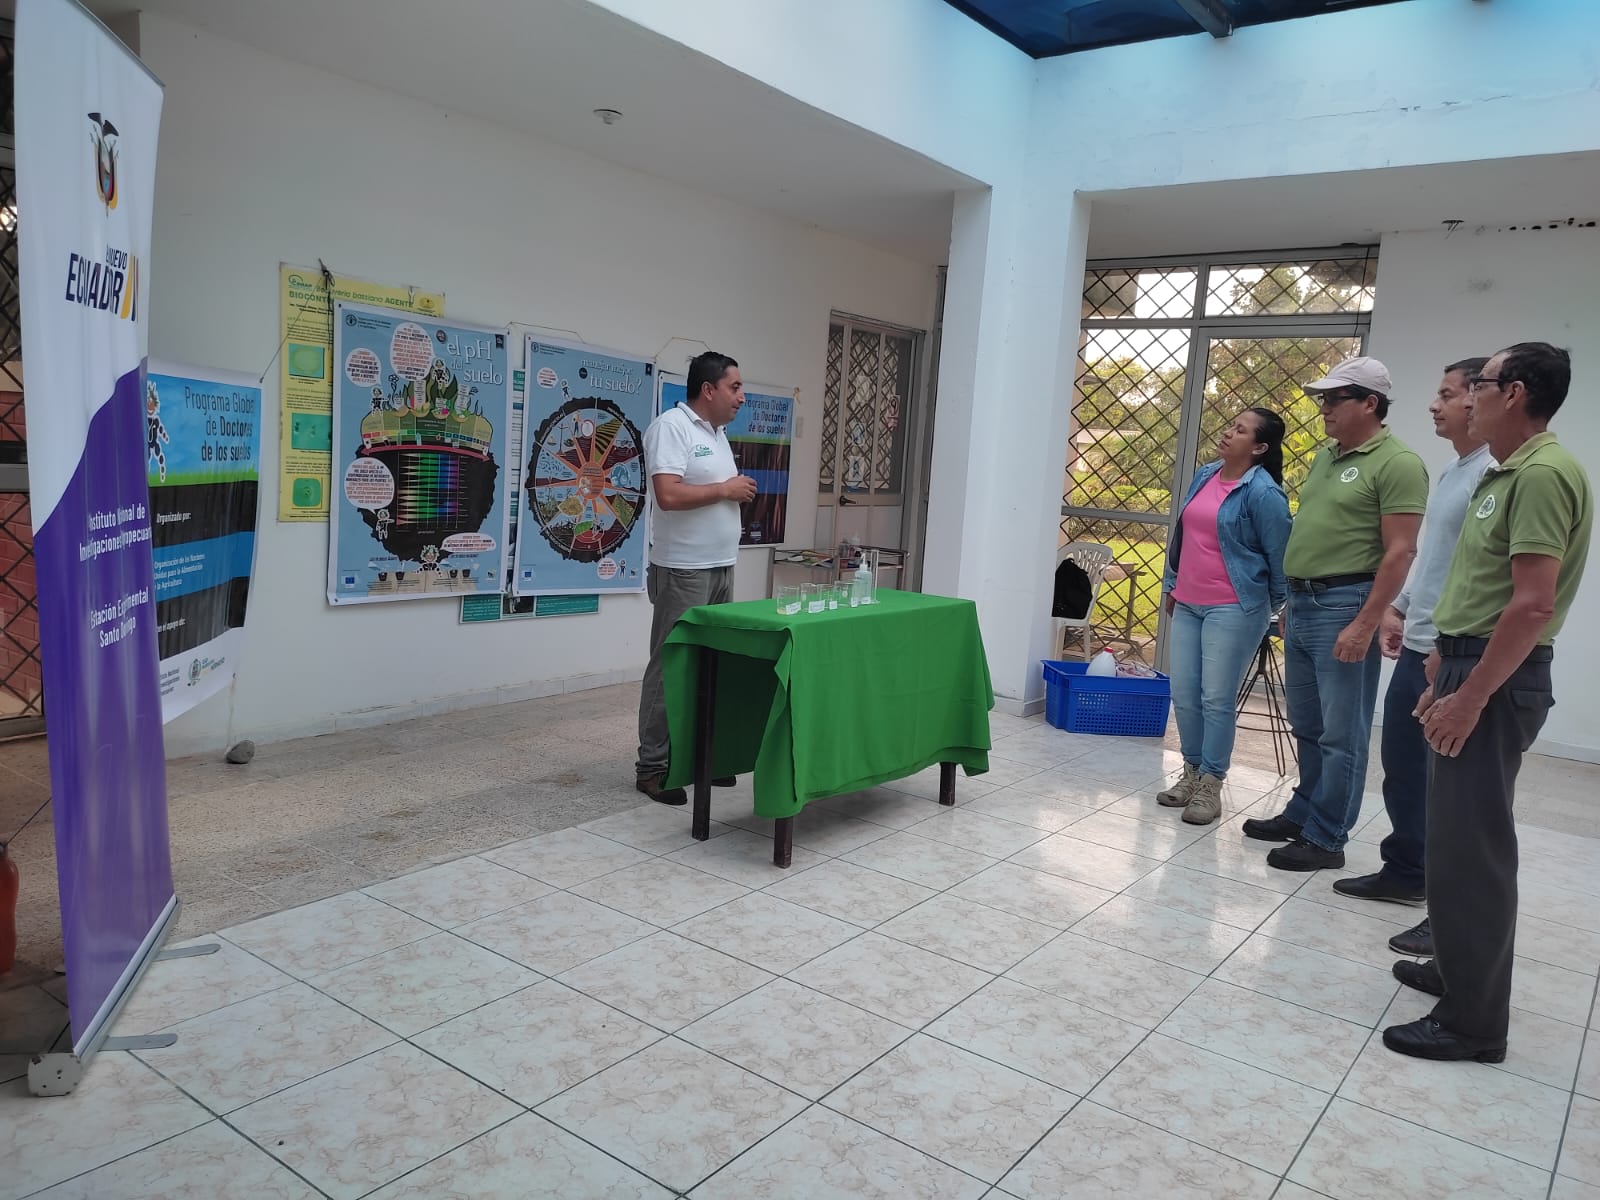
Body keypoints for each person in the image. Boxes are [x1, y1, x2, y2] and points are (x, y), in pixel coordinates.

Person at [1384, 342, 1592, 1063]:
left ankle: (1473, 1024)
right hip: (1465, 660)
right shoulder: (1504, 472)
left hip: (1494, 678)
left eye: (1482, 383)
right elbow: (1481, 584)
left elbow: (1532, 604)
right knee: (1452, 839)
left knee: (1474, 850)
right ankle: (1454, 967)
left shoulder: (1542, 475)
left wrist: (1471, 695)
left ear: (1517, 392)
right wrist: (1445, 655)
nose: (1469, 395)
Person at [1242, 357, 1428, 870]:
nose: (1323, 408)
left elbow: (1401, 551)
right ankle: (1304, 812)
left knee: (1342, 732)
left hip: (1346, 605)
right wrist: (1291, 601)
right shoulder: (1328, 456)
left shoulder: (1398, 463)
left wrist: (1366, 622)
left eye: (1334, 399)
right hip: (1304, 603)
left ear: (1370, 403)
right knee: (1307, 722)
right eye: (1322, 398)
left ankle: (1326, 838)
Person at [1332, 359, 1492, 950]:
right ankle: (1405, 871)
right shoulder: (1455, 470)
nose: (1433, 404)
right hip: (1423, 643)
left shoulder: (1493, 474)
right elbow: (1434, 560)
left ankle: (1448, 914)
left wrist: (1448, 644)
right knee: (1403, 767)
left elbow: (1482, 576)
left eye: (1446, 394)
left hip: (1449, 650)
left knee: (1448, 789)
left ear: (1479, 399)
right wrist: (1398, 608)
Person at [1157, 407, 1291, 825]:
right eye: (1231, 425)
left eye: (1240, 430)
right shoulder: (1205, 474)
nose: (1228, 433)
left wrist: (1274, 609)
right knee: (1184, 694)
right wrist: (1172, 584)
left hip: (1234, 608)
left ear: (1260, 447)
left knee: (1216, 699)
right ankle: (1191, 772)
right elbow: (1182, 535)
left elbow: (1281, 559)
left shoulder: (1264, 493)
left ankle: (1211, 784)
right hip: (1188, 602)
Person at [634, 352, 757, 805]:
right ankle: (653, 767)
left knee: (713, 665)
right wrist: (725, 489)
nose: (741, 397)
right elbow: (667, 495)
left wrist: (730, 493)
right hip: (683, 569)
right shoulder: (672, 427)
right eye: (734, 387)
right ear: (708, 389)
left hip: (721, 564)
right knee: (672, 665)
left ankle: (705, 758)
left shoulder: (717, 434)